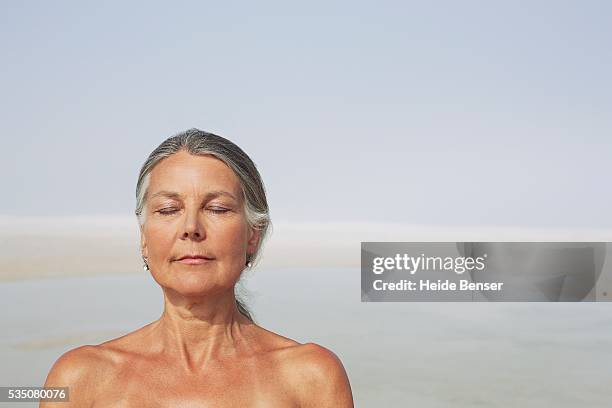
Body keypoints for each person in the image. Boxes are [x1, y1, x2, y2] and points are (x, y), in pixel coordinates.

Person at [41, 129, 354, 407]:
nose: (191, 227)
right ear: (144, 239)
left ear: (252, 236)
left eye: (217, 208)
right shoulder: (80, 378)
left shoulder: (311, 376)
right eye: (168, 209)